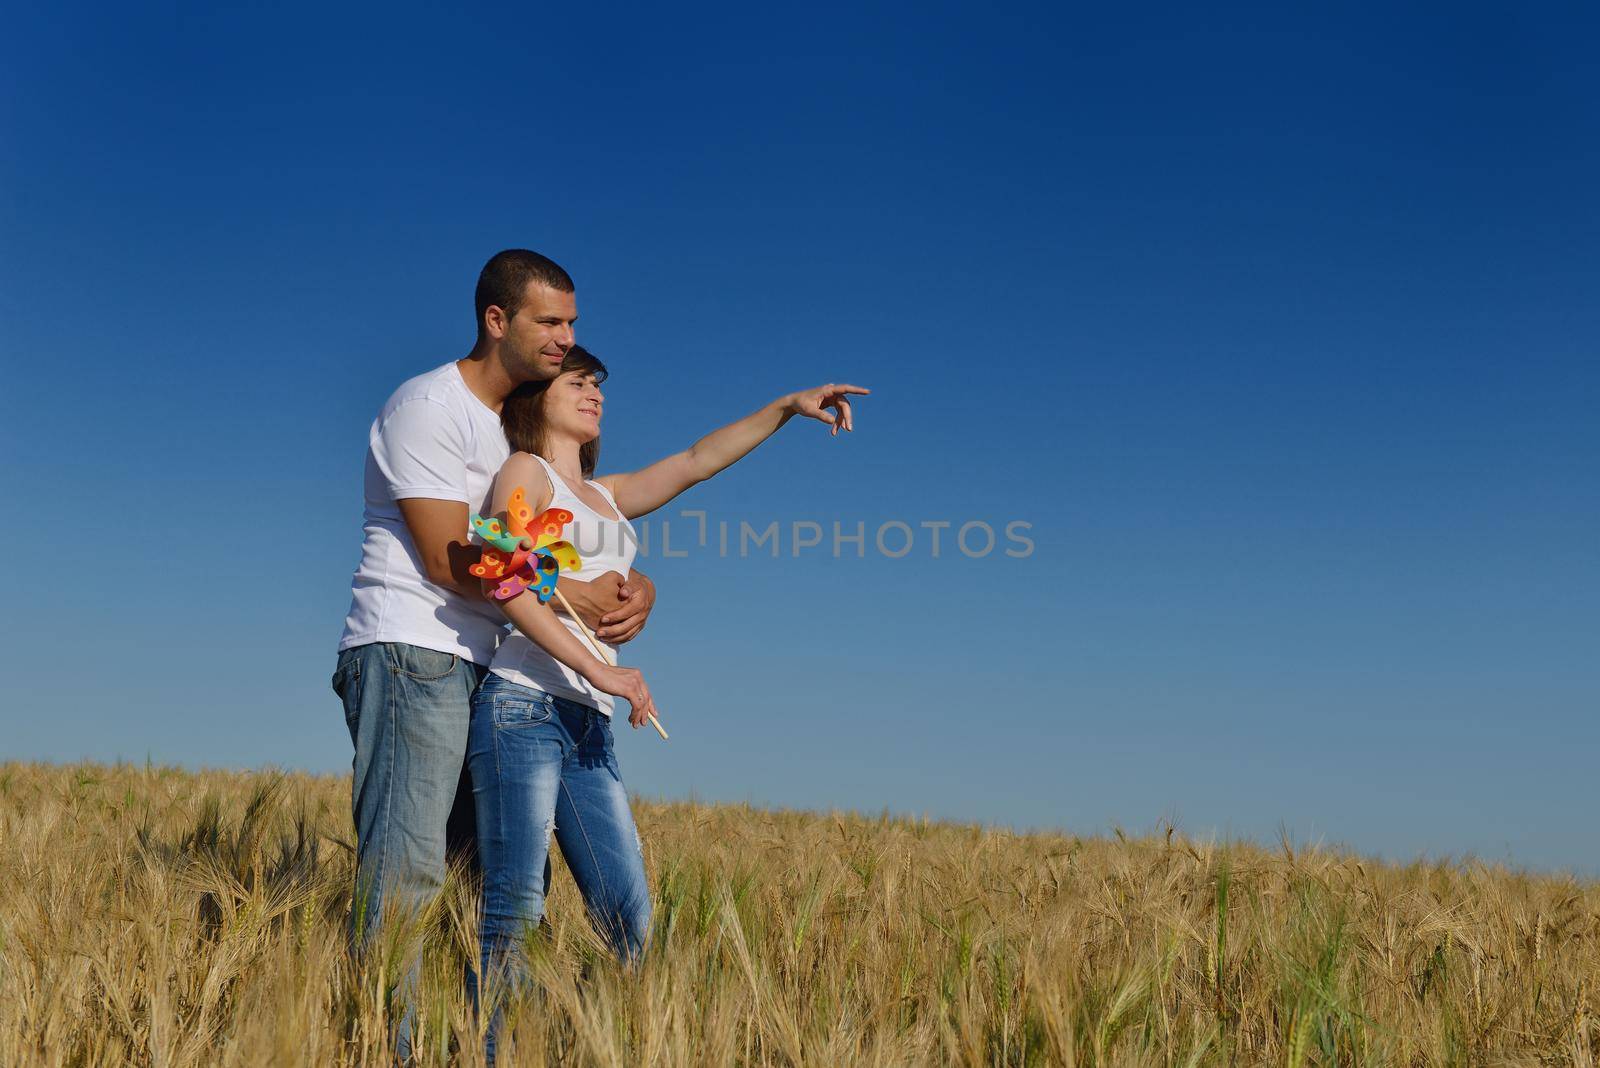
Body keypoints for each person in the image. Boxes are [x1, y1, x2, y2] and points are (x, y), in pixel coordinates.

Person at [468, 342, 867, 1058]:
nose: (595, 392)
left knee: (629, 918)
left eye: (600, 384)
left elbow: (696, 459)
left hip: (587, 726)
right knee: (516, 908)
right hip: (522, 708)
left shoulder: (609, 496)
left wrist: (783, 408)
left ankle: (585, 1043)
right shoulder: (523, 473)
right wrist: (608, 670)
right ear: (538, 395)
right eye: (578, 381)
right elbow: (508, 580)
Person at [331, 250, 659, 1056]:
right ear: (497, 321)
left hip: (484, 667)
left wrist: (630, 586)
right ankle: (385, 1048)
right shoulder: (428, 406)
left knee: (489, 883)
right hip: (414, 651)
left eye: (573, 322)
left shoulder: (509, 427)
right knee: (409, 876)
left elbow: (560, 530)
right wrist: (567, 596)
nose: (567, 338)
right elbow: (451, 557)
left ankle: (467, 1040)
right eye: (551, 322)